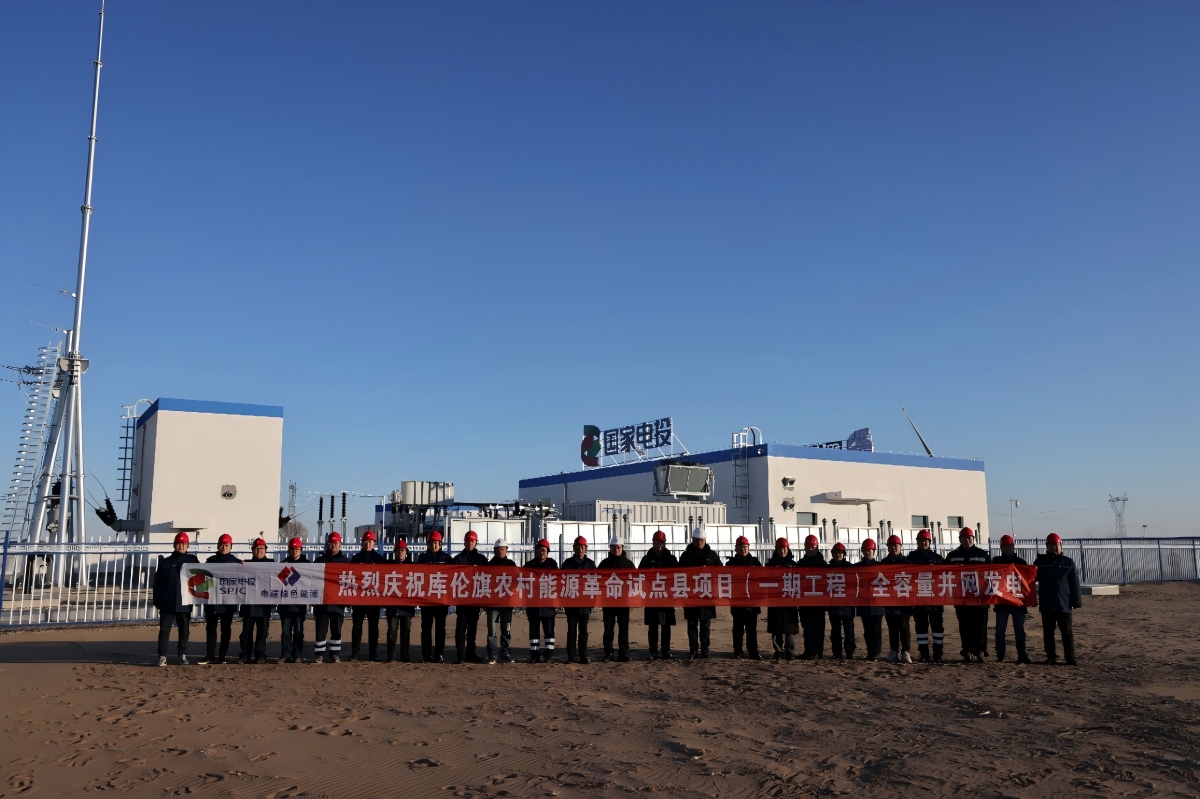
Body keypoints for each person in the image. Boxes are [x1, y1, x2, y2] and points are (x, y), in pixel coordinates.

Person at [153, 532, 200, 666]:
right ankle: (162, 656)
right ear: (174, 545)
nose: (181, 546)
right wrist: (157, 600)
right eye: (179, 543)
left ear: (188, 545)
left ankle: (182, 654)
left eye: (184, 544)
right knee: (164, 630)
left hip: (185, 602)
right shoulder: (165, 563)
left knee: (184, 629)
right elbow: (157, 583)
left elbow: (205, 575)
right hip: (167, 602)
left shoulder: (193, 561)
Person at [1034, 533, 1082, 665]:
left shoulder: (1068, 563)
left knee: (1067, 632)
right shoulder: (1041, 563)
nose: (1054, 547)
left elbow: (1074, 583)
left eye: (1056, 545)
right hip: (1047, 604)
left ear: (1061, 545)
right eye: (1051, 545)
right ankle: (1051, 657)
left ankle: (1070, 657)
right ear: (1046, 546)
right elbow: (1030, 578)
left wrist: (1076, 601)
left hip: (1064, 604)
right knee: (1048, 632)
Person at [946, 526, 992, 663]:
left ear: (973, 539)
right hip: (961, 597)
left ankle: (980, 650)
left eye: (969, 538)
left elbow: (992, 573)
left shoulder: (982, 555)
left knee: (980, 625)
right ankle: (967, 650)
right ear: (960, 539)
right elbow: (942, 571)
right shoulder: (953, 556)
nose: (966, 540)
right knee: (964, 625)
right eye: (963, 538)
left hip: (979, 597)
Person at [679, 527, 722, 659]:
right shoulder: (686, 556)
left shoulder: (712, 556)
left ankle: (705, 649)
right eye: (697, 540)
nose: (699, 542)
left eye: (702, 540)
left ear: (705, 540)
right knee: (692, 624)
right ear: (692, 540)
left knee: (705, 624)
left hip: (706, 595)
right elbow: (678, 573)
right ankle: (693, 649)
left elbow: (721, 572)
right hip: (691, 595)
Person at [907, 529, 946, 663]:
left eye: (926, 540)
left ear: (929, 542)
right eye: (921, 540)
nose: (923, 542)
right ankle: (924, 654)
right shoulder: (911, 558)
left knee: (937, 627)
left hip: (935, 599)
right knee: (921, 627)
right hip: (919, 599)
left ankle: (938, 654)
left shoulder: (938, 559)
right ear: (917, 542)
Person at [638, 530, 678, 660]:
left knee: (666, 625)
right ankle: (653, 651)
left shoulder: (671, 559)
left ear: (664, 543)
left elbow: (679, 576)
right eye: (657, 542)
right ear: (653, 542)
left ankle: (666, 651)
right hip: (652, 598)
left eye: (661, 542)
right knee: (653, 625)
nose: (659, 544)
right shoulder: (646, 559)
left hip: (666, 597)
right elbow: (639, 575)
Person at [993, 534, 1031, 664]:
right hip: (1002, 602)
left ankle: (1022, 654)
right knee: (1000, 630)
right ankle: (1000, 655)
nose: (1007, 548)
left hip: (1017, 602)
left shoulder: (1021, 563)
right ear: (1001, 547)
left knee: (1019, 630)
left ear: (1013, 546)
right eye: (1004, 546)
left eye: (1009, 546)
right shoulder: (996, 562)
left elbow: (1028, 580)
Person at [204, 533, 242, 665]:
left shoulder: (236, 562)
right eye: (221, 545)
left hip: (228, 601)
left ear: (231, 546)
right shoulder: (210, 561)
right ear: (218, 546)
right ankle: (210, 655)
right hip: (212, 601)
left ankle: (222, 656)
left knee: (226, 629)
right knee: (210, 628)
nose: (224, 547)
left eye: (226, 545)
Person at [313, 532, 351, 663]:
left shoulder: (346, 562)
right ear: (327, 544)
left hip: (338, 603)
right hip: (322, 602)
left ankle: (335, 654)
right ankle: (319, 654)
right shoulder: (319, 561)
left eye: (336, 543)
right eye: (331, 543)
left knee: (336, 630)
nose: (333, 545)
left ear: (340, 544)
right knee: (320, 630)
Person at [349, 530, 387, 661]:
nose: (367, 544)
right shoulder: (356, 559)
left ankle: (373, 653)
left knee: (373, 627)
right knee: (357, 626)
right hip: (359, 598)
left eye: (370, 541)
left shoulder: (379, 559)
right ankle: (355, 653)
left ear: (374, 543)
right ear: (362, 543)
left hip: (373, 598)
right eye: (365, 541)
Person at [453, 530, 489, 663]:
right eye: (468, 541)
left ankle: (471, 653)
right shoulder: (457, 559)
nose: (470, 544)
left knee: (472, 628)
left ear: (476, 542)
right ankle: (461, 655)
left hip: (475, 599)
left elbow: (489, 576)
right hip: (462, 600)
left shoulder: (481, 560)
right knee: (461, 627)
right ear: (464, 542)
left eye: (472, 541)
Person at [417, 531, 453, 663]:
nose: (433, 545)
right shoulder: (422, 559)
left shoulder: (447, 559)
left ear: (440, 544)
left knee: (440, 628)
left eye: (436, 543)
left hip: (441, 600)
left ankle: (439, 654)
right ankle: (426, 654)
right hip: (426, 600)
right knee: (426, 628)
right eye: (431, 543)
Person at [598, 536, 634, 662]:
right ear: (610, 548)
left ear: (622, 548)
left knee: (623, 628)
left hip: (623, 602)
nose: (616, 549)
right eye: (614, 547)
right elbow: (598, 581)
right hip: (608, 602)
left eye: (618, 547)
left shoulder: (628, 564)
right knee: (608, 628)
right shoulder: (604, 564)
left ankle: (623, 652)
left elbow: (635, 580)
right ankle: (608, 652)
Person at [562, 536, 597, 664]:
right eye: (578, 546)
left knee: (583, 631)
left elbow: (595, 583)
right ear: (573, 548)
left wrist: (592, 602)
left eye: (582, 547)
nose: (580, 549)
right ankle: (571, 656)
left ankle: (583, 655)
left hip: (585, 604)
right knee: (571, 631)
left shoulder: (590, 564)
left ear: (586, 549)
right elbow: (562, 582)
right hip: (571, 603)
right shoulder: (567, 564)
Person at [726, 535, 762, 659]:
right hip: (737, 601)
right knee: (738, 628)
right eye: (741, 547)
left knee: (751, 628)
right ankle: (738, 651)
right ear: (736, 548)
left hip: (752, 601)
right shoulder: (731, 564)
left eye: (745, 546)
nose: (743, 549)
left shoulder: (755, 563)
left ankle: (753, 651)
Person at [238, 537, 272, 664]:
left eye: (261, 548)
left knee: (262, 631)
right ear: (252, 550)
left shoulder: (272, 565)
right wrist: (239, 566)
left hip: (264, 604)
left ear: (265, 550)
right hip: (249, 603)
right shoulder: (245, 565)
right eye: (256, 548)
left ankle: (260, 655)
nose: (259, 550)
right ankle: (245, 654)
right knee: (246, 632)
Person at [524, 539, 559, 663]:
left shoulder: (552, 565)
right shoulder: (528, 566)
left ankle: (549, 654)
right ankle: (534, 654)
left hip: (548, 605)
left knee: (549, 631)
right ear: (536, 551)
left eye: (544, 550)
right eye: (539, 549)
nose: (541, 552)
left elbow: (558, 581)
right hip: (533, 604)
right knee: (534, 631)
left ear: (547, 552)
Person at [880, 534, 913, 664]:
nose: (893, 547)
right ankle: (894, 651)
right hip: (889, 602)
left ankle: (905, 651)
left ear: (900, 546)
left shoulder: (907, 563)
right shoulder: (883, 564)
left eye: (896, 545)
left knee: (904, 628)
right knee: (892, 628)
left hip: (904, 601)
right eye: (891, 545)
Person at [765, 538, 798, 660]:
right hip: (775, 601)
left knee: (790, 628)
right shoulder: (770, 565)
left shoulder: (794, 565)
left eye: (784, 549)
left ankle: (789, 651)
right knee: (776, 627)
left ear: (788, 549)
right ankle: (778, 651)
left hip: (790, 601)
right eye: (779, 549)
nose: (782, 551)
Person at [277, 537, 309, 663]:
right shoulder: (283, 564)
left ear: (301, 550)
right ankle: (285, 653)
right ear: (288, 550)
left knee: (298, 631)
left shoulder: (307, 565)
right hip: (285, 605)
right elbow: (279, 582)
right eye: (292, 549)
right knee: (285, 632)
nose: (295, 551)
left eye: (297, 549)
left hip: (299, 605)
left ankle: (297, 654)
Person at [485, 538, 517, 664]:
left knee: (506, 629)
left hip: (507, 604)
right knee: (491, 630)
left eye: (502, 549)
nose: (500, 551)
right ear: (494, 550)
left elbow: (517, 582)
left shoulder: (511, 565)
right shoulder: (489, 566)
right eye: (498, 549)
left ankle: (505, 653)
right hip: (492, 604)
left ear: (506, 550)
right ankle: (492, 654)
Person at [797, 534, 827, 660]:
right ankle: (808, 650)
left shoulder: (822, 564)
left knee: (818, 627)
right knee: (807, 627)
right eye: (808, 547)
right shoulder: (801, 564)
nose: (810, 549)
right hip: (805, 601)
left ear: (816, 547)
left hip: (818, 602)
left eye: (812, 547)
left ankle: (817, 651)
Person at [385, 539, 416, 662]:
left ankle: (405, 655)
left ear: (406, 552)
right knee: (392, 631)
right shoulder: (388, 566)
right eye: (398, 550)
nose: (400, 552)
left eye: (402, 550)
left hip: (407, 605)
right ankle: (390, 655)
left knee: (405, 631)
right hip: (393, 604)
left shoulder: (413, 567)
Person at [855, 539, 885, 661]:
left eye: (870, 550)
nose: (868, 553)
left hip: (878, 603)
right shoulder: (857, 567)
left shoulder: (880, 566)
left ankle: (876, 653)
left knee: (876, 629)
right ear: (862, 551)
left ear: (874, 551)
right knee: (867, 630)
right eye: (866, 550)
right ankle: (870, 652)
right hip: (864, 603)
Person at [826, 542, 856, 660]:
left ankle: (850, 652)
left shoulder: (850, 568)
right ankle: (836, 652)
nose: (838, 555)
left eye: (840, 553)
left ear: (844, 554)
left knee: (849, 631)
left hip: (847, 605)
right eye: (836, 552)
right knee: (835, 631)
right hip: (833, 605)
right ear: (832, 554)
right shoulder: (828, 568)